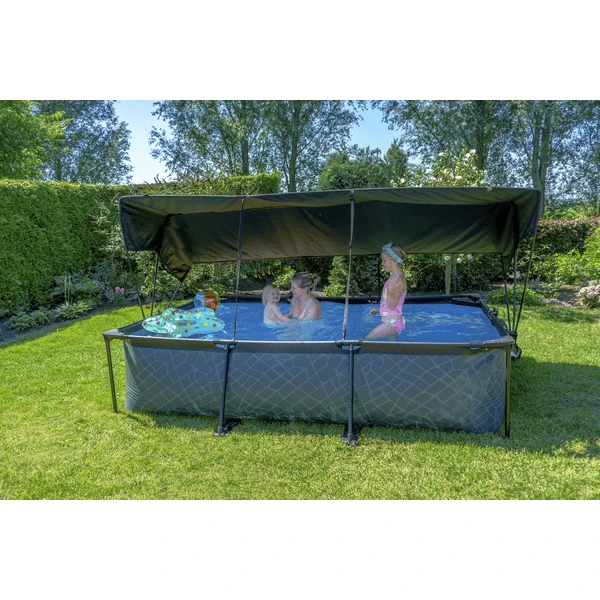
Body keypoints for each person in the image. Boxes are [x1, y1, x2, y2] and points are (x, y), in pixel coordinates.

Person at [365, 243, 407, 340]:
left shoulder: (397, 280)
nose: (382, 263)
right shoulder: (395, 276)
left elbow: (391, 305)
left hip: (393, 323)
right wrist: (378, 310)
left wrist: (390, 290)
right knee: (390, 346)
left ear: (393, 261)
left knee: (365, 341)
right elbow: (391, 306)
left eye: (384, 260)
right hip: (392, 320)